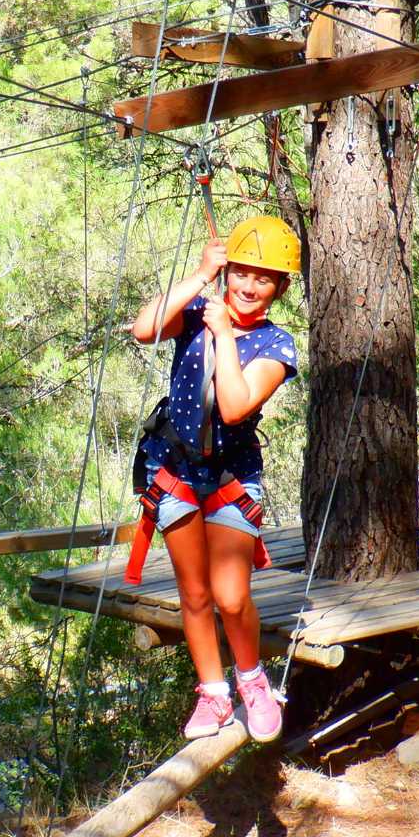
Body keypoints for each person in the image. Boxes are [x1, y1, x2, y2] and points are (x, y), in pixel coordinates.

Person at [126, 214, 301, 742]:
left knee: (230, 596)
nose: (248, 286)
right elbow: (143, 328)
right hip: (175, 471)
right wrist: (201, 277)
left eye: (263, 278)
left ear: (280, 288)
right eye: (241, 273)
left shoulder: (277, 345)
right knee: (194, 596)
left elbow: (232, 406)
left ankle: (252, 682)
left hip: (230, 477)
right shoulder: (200, 310)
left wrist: (224, 333)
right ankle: (213, 693)